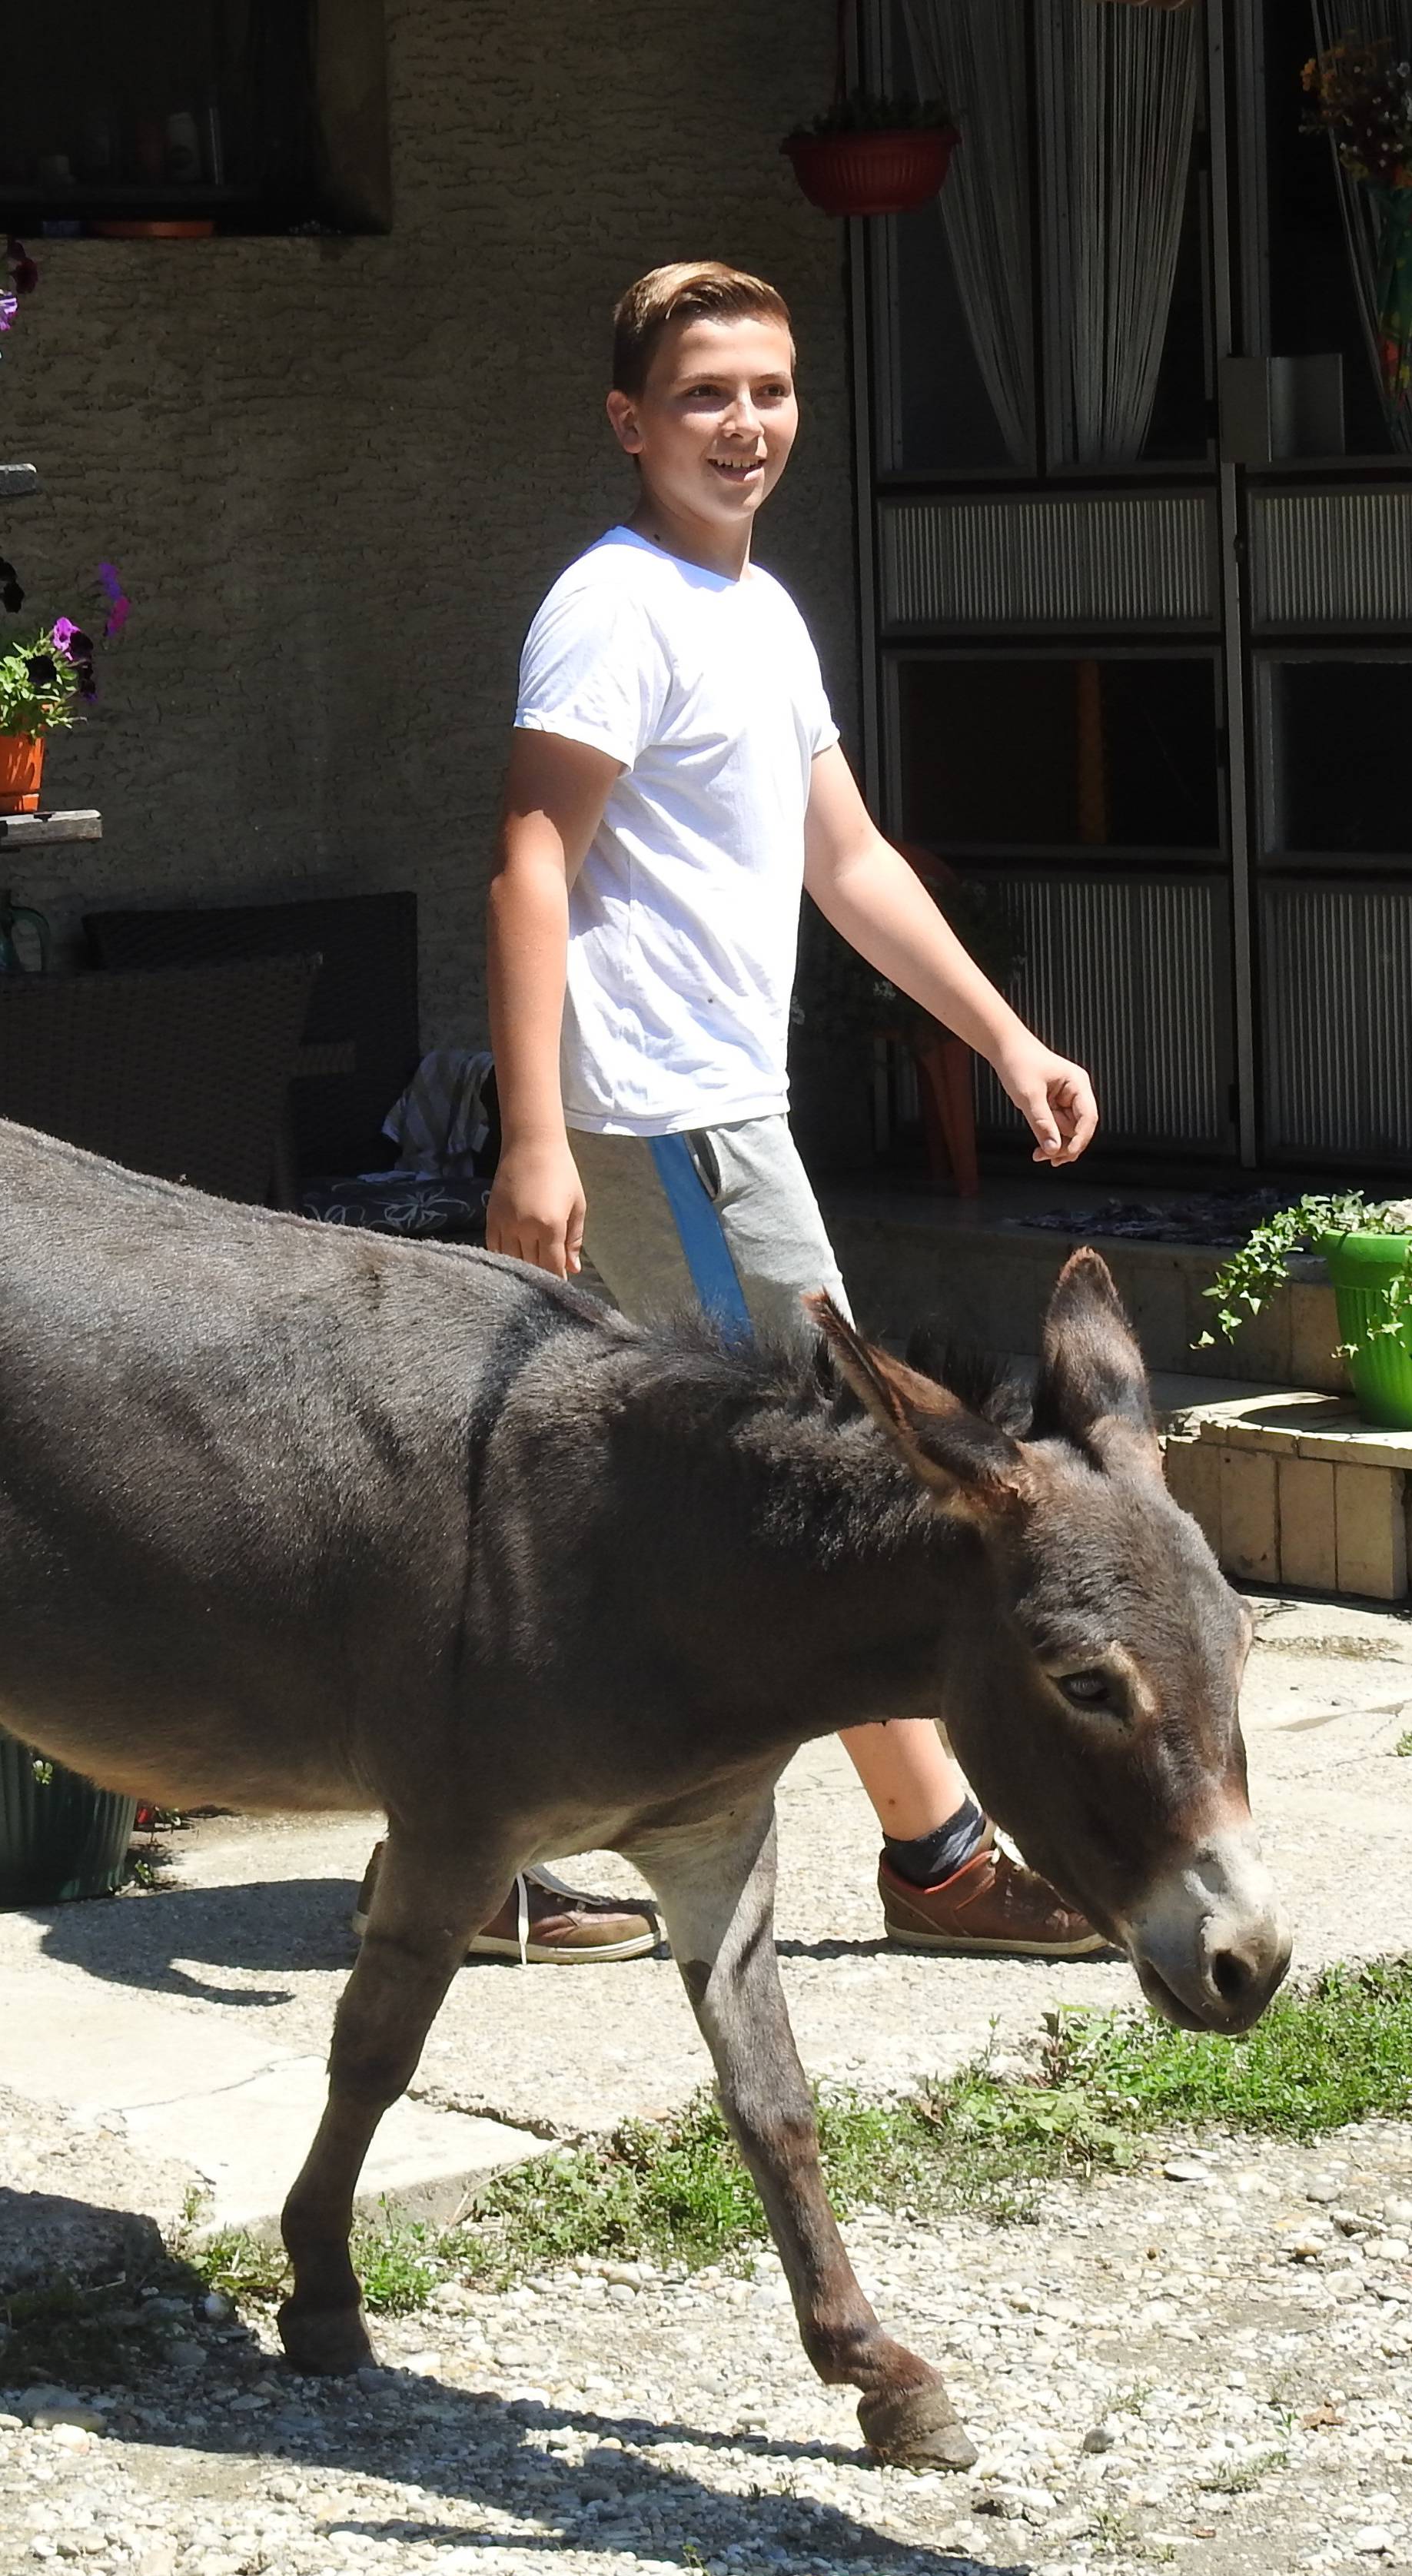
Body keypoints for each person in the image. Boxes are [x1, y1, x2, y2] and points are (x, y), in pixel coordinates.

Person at [359, 261, 1107, 1969]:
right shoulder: (613, 607)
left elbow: (846, 862)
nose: (747, 424)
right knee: (834, 1470)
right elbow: (530, 859)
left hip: (711, 1114)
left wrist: (1004, 1036)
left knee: (600, 1493)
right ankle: (940, 1857)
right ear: (632, 423)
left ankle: (467, 1857)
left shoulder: (758, 615)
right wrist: (539, 1136)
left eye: (769, 391)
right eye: (707, 395)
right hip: (664, 1122)